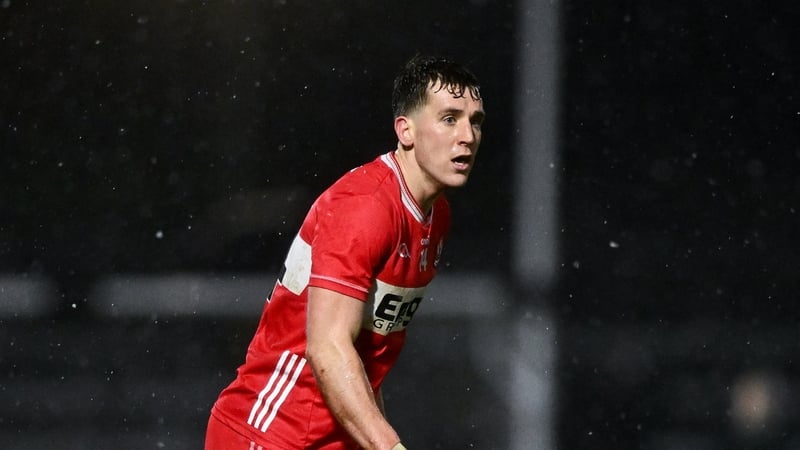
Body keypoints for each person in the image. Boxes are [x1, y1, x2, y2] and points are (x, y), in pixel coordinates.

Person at [205, 54, 485, 450]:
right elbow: (328, 346)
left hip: (334, 440)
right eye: (449, 118)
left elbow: (367, 355)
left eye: (475, 121)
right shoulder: (364, 206)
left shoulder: (435, 216)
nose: (468, 136)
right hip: (271, 435)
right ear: (405, 130)